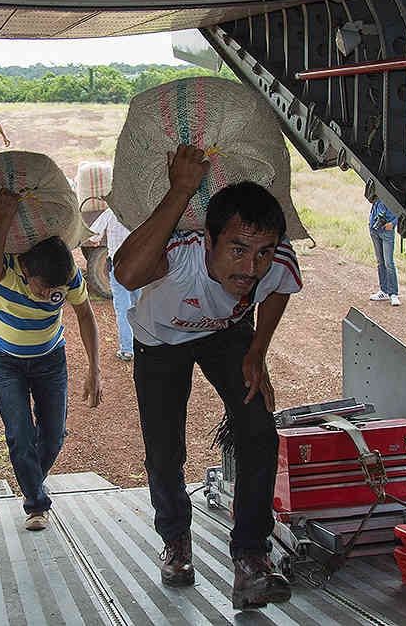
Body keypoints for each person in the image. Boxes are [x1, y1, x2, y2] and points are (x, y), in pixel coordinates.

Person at [114, 146, 300, 610]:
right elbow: (126, 272)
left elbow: (280, 288)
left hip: (226, 333)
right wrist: (181, 189)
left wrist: (258, 350)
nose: (250, 267)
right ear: (208, 240)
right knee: (164, 447)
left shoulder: (273, 262)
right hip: (159, 340)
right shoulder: (180, 255)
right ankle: (176, 540)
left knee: (259, 429)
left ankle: (251, 560)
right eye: (237, 249)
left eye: (261, 252)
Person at [0, 188, 102, 531]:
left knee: (53, 435)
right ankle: (36, 504)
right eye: (41, 289)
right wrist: (5, 216)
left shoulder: (66, 275)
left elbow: (85, 315)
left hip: (50, 359)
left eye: (54, 292)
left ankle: (31, 479)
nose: (49, 297)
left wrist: (94, 368)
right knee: (19, 433)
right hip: (3, 360)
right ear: (24, 269)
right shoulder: (5, 266)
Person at [88, 208, 140, 361]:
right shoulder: (138, 212)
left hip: (118, 267)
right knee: (142, 306)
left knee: (123, 308)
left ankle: (127, 350)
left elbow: (93, 237)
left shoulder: (110, 213)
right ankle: (146, 345)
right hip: (139, 266)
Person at [369, 197, 400, 306]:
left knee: (388, 262)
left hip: (387, 229)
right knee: (380, 262)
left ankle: (394, 294)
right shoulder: (378, 188)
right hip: (375, 227)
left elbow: (403, 210)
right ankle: (384, 291)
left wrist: (393, 223)